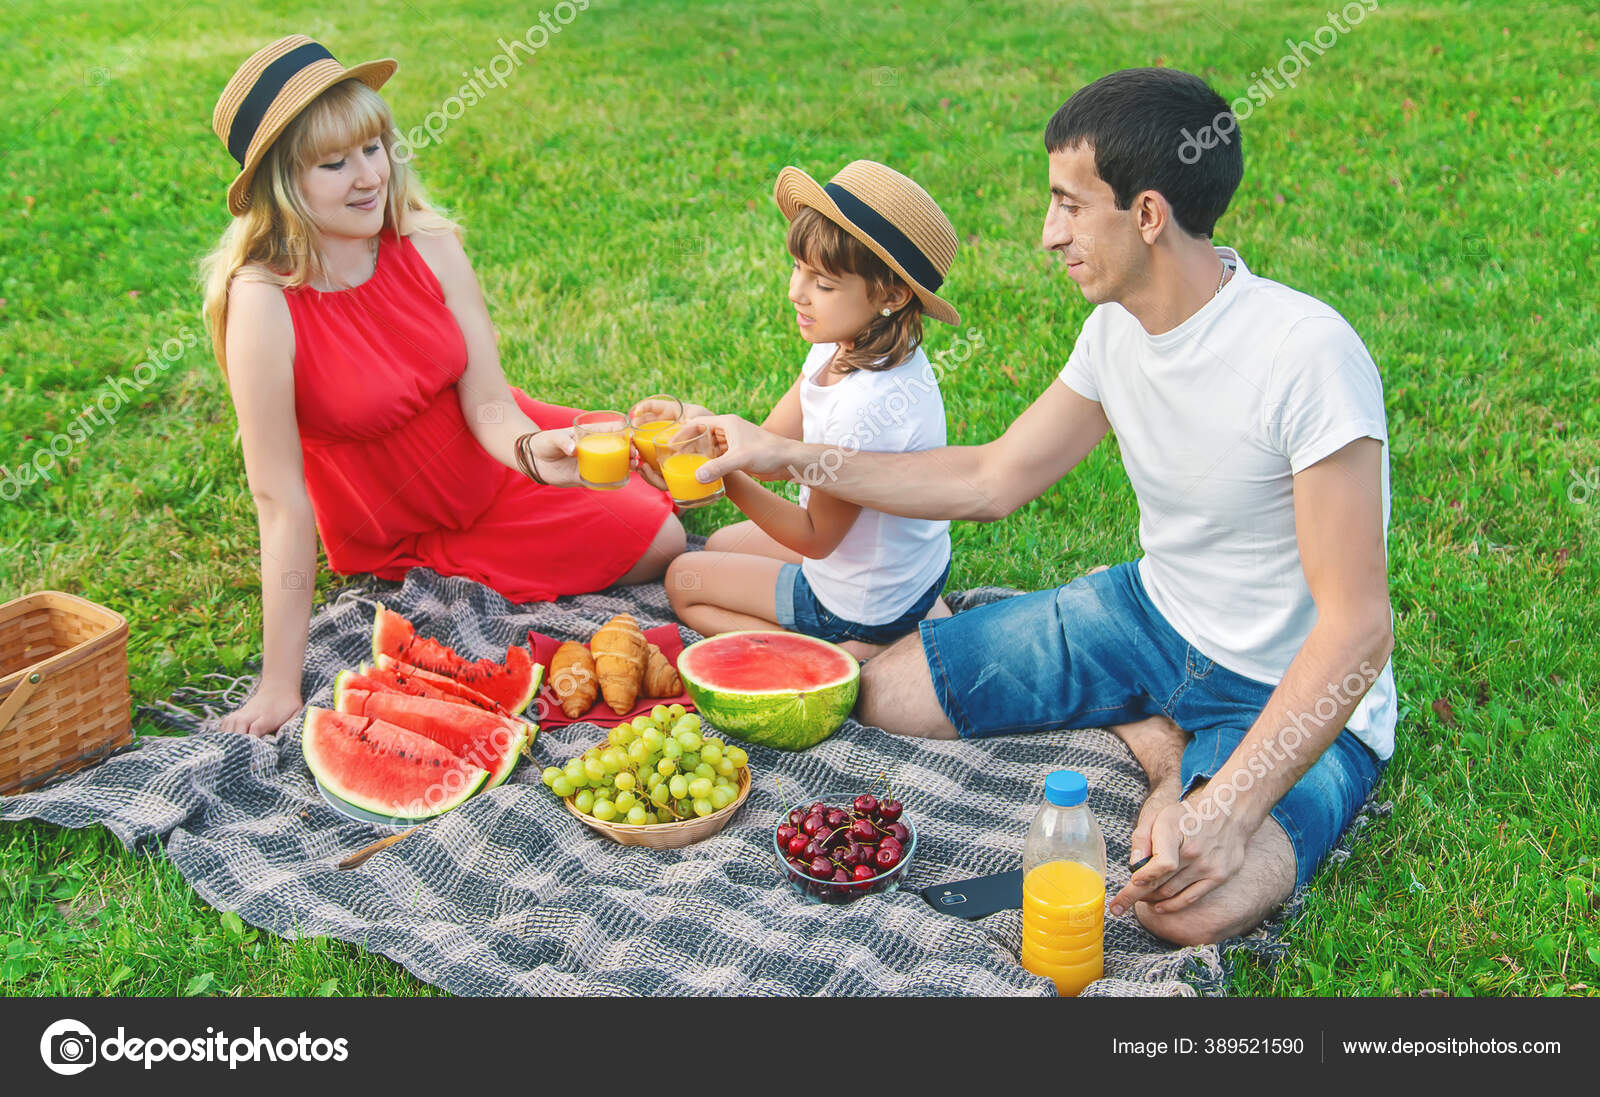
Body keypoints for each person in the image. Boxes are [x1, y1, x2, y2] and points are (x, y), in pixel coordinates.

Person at [686, 68, 1397, 947]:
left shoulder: (1307, 356)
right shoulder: (1113, 330)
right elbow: (990, 479)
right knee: (881, 693)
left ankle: (1194, 770)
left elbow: (1358, 629)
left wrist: (1235, 805)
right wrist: (784, 452)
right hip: (1148, 614)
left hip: (1278, 687)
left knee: (1189, 907)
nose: (1046, 235)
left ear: (1145, 214)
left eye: (1067, 205)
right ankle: (1157, 737)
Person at [201, 36, 682, 736]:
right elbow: (279, 500)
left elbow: (488, 399)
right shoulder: (263, 302)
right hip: (402, 516)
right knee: (660, 535)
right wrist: (279, 683)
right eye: (334, 163)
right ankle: (447, 561)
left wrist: (530, 450)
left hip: (488, 457)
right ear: (281, 183)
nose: (367, 176)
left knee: (655, 513)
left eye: (373, 148)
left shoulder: (425, 240)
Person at [664, 161, 958, 660]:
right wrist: (697, 420)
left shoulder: (864, 409)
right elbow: (772, 442)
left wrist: (726, 477)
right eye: (798, 268)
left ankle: (840, 653)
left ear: (891, 294)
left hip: (857, 600)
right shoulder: (849, 344)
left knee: (682, 580)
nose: (795, 292)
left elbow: (816, 539)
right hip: (901, 568)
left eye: (822, 283)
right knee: (716, 546)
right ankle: (908, 620)